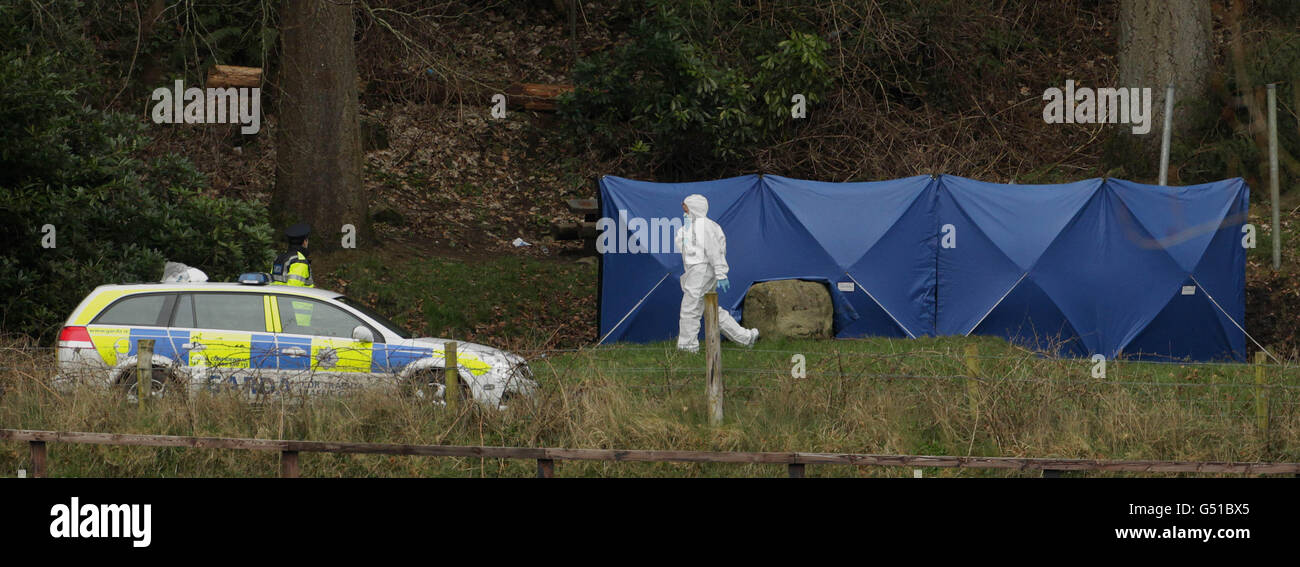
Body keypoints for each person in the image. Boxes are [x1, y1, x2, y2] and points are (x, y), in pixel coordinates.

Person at [675, 194, 758, 353]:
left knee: (690, 308)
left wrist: (721, 273)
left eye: (685, 206)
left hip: (702, 271)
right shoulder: (692, 225)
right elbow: (685, 247)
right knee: (710, 308)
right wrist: (685, 229)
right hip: (697, 271)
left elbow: (714, 250)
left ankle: (687, 347)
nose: (683, 208)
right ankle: (746, 337)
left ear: (694, 207)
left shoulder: (704, 225)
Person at [271, 223, 314, 328]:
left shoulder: (279, 258)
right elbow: (294, 290)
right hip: (297, 319)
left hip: (278, 312)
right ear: (305, 242)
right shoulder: (299, 260)